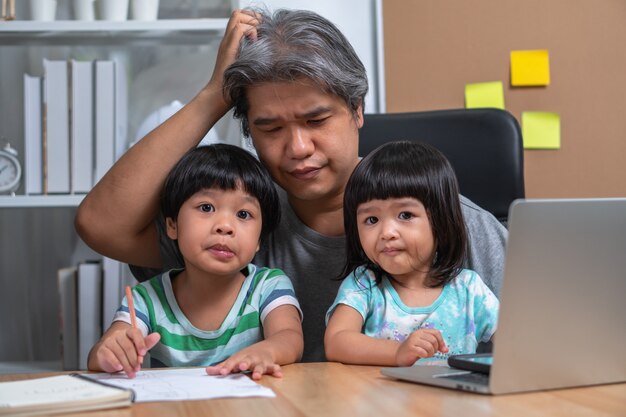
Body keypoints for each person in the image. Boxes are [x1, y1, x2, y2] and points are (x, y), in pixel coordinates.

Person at [75, 8, 507, 363]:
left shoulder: (456, 223)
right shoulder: (239, 220)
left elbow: (548, 340)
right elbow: (99, 224)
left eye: (316, 120)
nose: (298, 147)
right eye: (270, 128)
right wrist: (213, 96)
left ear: (357, 109)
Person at [87, 144, 303, 380]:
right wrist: (111, 352)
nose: (225, 226)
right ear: (172, 226)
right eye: (206, 207)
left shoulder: (268, 286)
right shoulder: (146, 299)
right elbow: (99, 357)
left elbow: (289, 337)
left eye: (243, 214)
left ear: (259, 239)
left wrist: (268, 351)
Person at [324, 141, 499, 366]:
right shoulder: (363, 285)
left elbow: (516, 341)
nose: (386, 232)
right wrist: (398, 352)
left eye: (405, 215)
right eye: (371, 220)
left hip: (453, 400)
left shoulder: (468, 289)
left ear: (440, 221)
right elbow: (336, 342)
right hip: (378, 399)